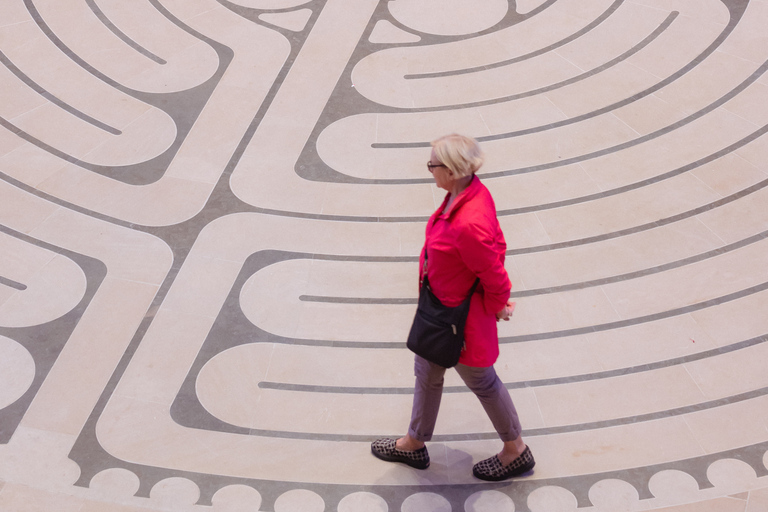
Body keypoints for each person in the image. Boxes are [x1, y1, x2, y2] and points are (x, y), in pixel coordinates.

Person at [371, 134, 534, 482]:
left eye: (433, 165)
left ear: (454, 169)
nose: (430, 170)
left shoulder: (468, 222)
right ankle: (414, 443)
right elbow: (499, 242)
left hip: (461, 323)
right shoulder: (468, 192)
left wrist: (496, 306)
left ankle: (516, 450)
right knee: (427, 372)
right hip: (442, 312)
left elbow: (495, 273)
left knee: (482, 381)